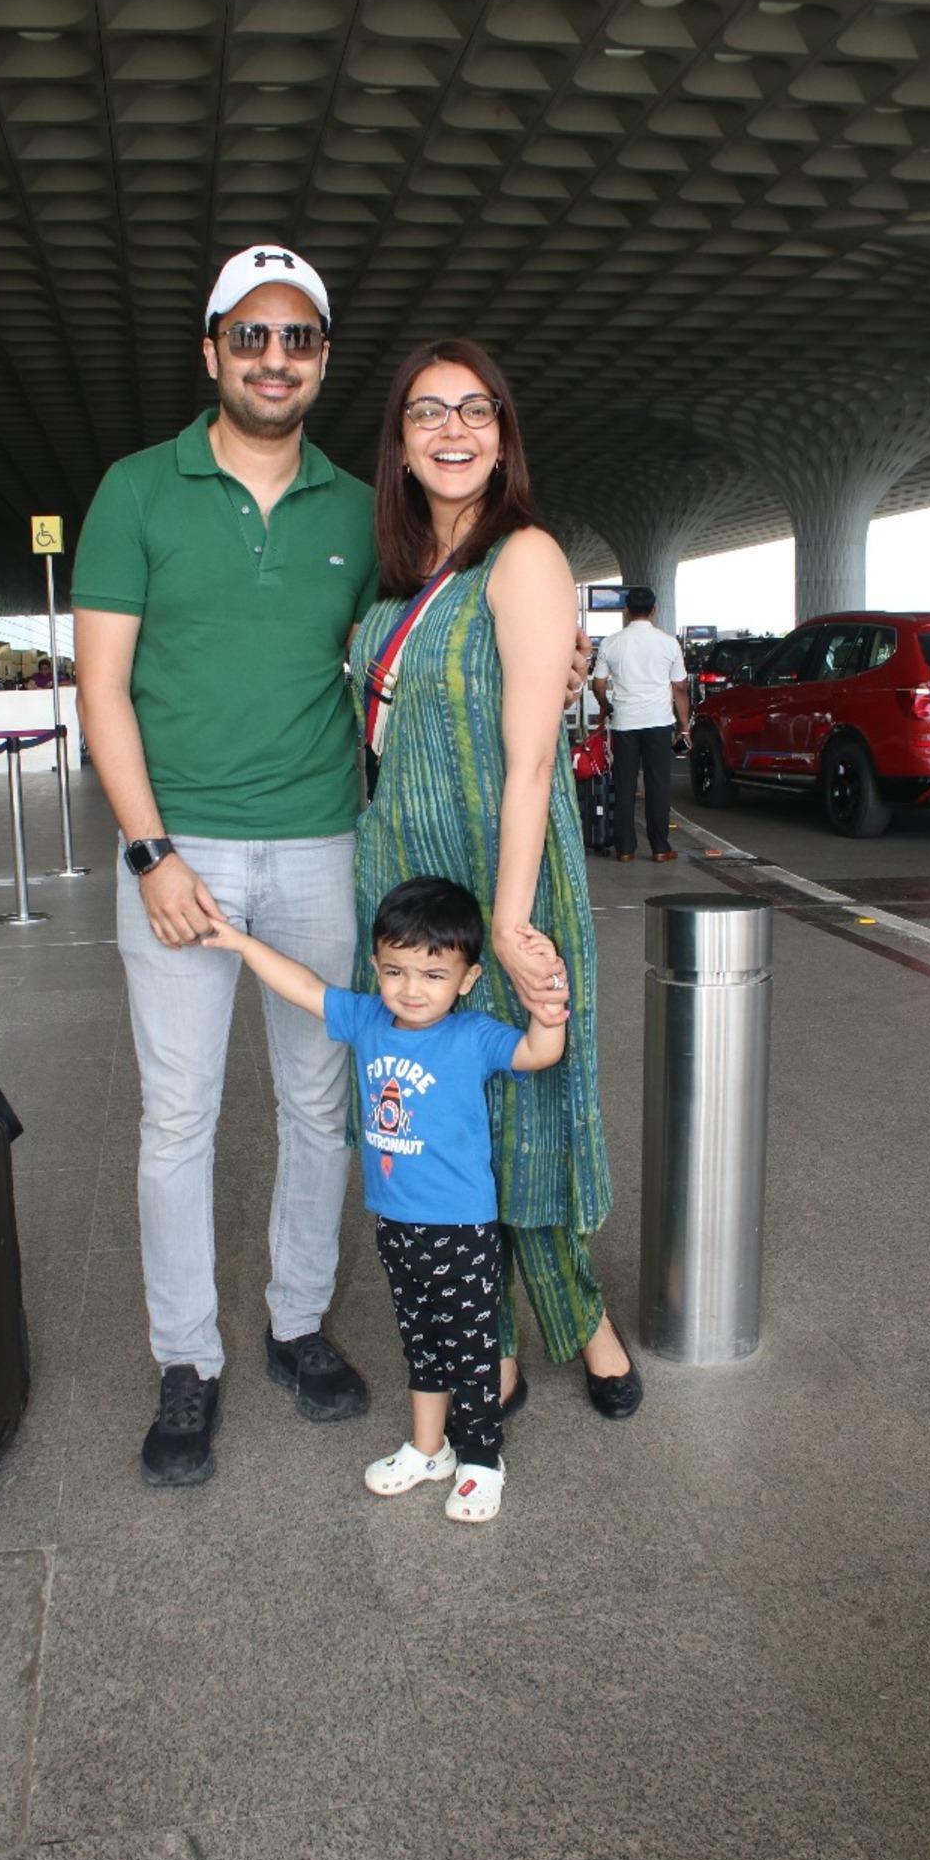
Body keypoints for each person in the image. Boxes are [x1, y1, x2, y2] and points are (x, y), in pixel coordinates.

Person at [72, 245, 380, 1488]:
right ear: (211, 353)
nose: (272, 357)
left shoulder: (361, 509)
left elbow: (424, 631)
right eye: (248, 336)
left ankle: (296, 1325)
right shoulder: (137, 490)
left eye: (295, 338)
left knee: (318, 1105)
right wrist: (150, 850)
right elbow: (100, 685)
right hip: (180, 851)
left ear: (318, 362)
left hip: (321, 842)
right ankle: (185, 1360)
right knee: (178, 1116)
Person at [349, 340, 641, 1420]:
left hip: (502, 874)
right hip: (404, 888)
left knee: (528, 1113)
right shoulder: (394, 575)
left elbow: (529, 757)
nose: (454, 430)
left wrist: (510, 921)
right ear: (400, 443)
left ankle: (580, 1325)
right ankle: (497, 1342)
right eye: (427, 413)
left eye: (476, 411)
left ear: (503, 434)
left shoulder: (522, 556)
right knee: (437, 1125)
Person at [204, 876, 567, 1523]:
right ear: (375, 964)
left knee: (471, 1347)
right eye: (395, 969)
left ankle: (482, 1458)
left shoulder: (474, 1035)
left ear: (467, 977)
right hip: (396, 1223)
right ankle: (429, 1448)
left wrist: (549, 997)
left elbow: (541, 1052)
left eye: (433, 973)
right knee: (422, 1342)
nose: (410, 987)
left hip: (461, 1229)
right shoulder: (369, 1018)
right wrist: (236, 939)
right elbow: (302, 986)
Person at [592, 586, 691, 864]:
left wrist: (606, 706)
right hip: (659, 722)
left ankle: (625, 849)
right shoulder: (669, 643)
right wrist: (684, 727)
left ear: (626, 611)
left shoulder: (611, 643)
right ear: (654, 609)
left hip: (624, 723)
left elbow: (598, 685)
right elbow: (680, 688)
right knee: (657, 784)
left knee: (624, 785)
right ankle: (660, 848)